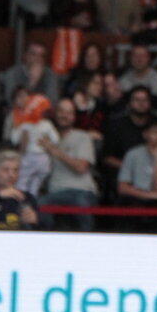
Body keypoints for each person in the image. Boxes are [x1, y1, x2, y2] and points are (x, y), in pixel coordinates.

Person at [37, 98, 99, 231]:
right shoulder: (46, 138)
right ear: (55, 113)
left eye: (69, 113)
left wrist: (54, 151)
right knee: (39, 203)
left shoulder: (83, 137)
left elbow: (81, 168)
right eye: (61, 111)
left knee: (81, 203)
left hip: (82, 191)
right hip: (54, 191)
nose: (64, 115)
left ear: (74, 116)